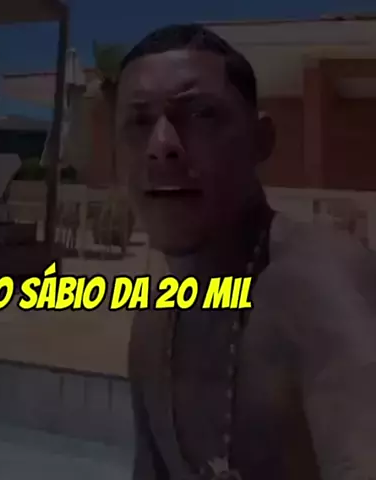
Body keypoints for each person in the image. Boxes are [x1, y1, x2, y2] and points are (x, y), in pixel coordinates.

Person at [114, 24, 376, 480]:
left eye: (201, 115)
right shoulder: (153, 323)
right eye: (139, 123)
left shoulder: (319, 292)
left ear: (261, 140)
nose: (161, 147)